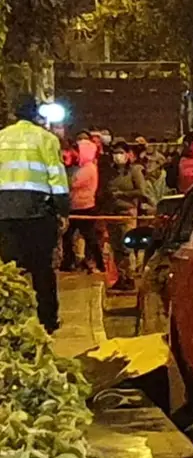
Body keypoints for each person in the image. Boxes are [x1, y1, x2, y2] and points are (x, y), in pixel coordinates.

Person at [0, 95, 70, 333]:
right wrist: (63, 211)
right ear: (35, 114)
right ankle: (47, 319)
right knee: (42, 269)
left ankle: (11, 319)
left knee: (10, 270)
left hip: (5, 213)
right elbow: (57, 179)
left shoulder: (1, 138)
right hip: (37, 212)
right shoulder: (46, 139)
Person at [104, 141, 147, 292]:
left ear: (128, 155)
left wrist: (122, 194)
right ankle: (121, 278)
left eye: (121, 153)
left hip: (127, 213)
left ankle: (130, 278)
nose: (118, 156)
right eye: (115, 153)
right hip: (112, 214)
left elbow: (141, 191)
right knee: (116, 248)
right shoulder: (110, 172)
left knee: (127, 247)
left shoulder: (134, 171)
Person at [62, 134, 104, 273]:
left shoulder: (88, 168)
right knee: (68, 236)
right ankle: (69, 261)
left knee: (89, 237)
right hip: (75, 206)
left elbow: (72, 183)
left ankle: (98, 263)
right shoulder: (80, 167)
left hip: (84, 207)